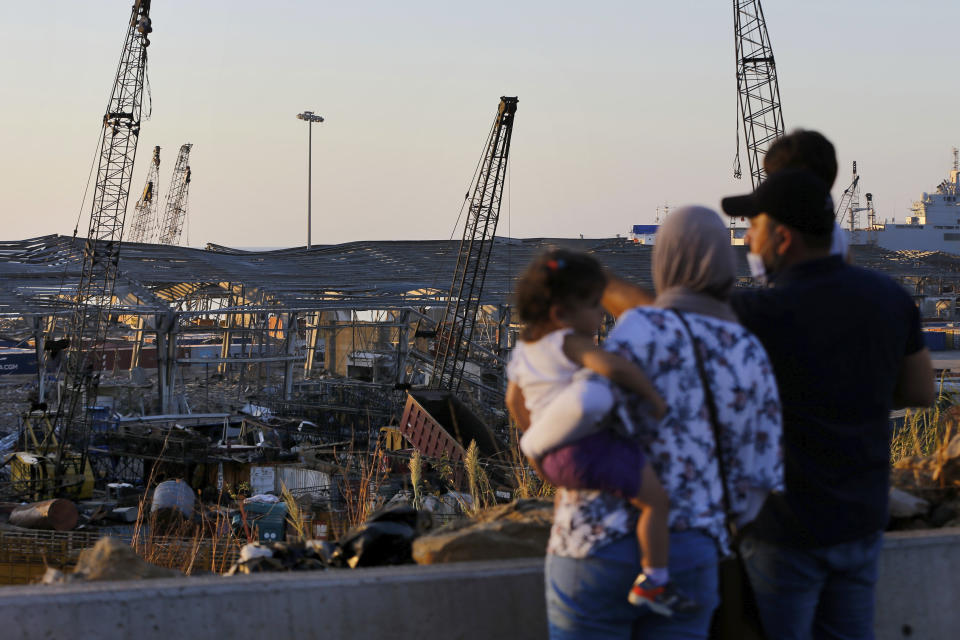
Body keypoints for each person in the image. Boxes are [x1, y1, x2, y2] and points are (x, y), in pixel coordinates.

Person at [535, 207, 783, 639]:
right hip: (691, 553)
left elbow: (581, 410)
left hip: (597, 541)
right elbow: (759, 478)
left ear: (664, 261)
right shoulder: (748, 350)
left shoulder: (640, 327)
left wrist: (536, 442)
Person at [719, 164, 936, 639]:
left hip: (786, 526)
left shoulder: (756, 310)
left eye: (753, 227)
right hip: (861, 516)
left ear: (782, 238)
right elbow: (922, 392)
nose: (748, 240)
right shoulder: (890, 297)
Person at [505, 249, 694, 616]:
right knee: (655, 501)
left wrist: (537, 437)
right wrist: (651, 395)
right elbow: (614, 368)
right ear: (561, 314)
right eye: (594, 306)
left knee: (569, 493)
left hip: (555, 459)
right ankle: (654, 581)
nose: (602, 313)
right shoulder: (568, 341)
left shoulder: (523, 351)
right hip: (588, 449)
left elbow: (514, 401)